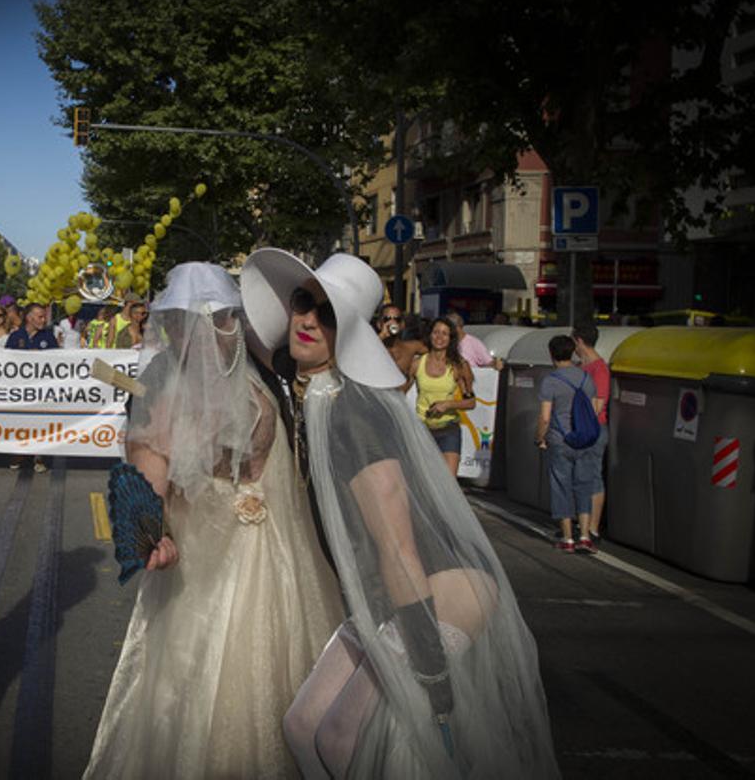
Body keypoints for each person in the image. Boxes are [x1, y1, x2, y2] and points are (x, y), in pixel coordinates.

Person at [241, 249, 559, 779]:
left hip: (436, 590)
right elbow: (253, 348)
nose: (307, 320)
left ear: (349, 330)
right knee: (302, 727)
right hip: (385, 595)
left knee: (341, 734)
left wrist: (431, 672)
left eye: (327, 313)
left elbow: (396, 544)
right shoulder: (312, 393)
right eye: (302, 301)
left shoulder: (352, 413)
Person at [84, 263, 343, 779]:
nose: (208, 333)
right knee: (200, 681)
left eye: (223, 320)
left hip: (279, 548)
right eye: (190, 322)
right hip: (205, 558)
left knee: (283, 675)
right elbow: (147, 467)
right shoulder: (160, 381)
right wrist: (151, 533)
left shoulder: (263, 368)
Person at [535, 334, 599, 554]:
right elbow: (593, 409)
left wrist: (539, 438)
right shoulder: (585, 378)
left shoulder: (550, 381)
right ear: (572, 352)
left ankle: (568, 538)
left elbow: (545, 417)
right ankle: (585, 536)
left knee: (561, 486)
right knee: (584, 486)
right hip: (585, 439)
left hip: (560, 440)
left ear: (551, 354)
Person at [407, 318, 476, 476]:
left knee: (449, 485)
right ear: (430, 335)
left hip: (449, 430)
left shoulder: (459, 365)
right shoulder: (417, 364)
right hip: (423, 431)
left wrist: (448, 405)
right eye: (436, 332)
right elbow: (400, 393)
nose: (439, 337)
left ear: (451, 338)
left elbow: (471, 402)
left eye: (445, 334)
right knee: (424, 482)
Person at [6, 302, 58, 473]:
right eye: (40, 316)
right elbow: (4, 361)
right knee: (19, 422)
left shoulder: (49, 337)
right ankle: (18, 454)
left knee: (40, 422)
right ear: (29, 318)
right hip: (20, 390)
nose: (44, 320)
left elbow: (59, 361)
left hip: (41, 390)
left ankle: (39, 456)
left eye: (44, 316)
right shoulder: (15, 337)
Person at [572, 323, 610, 541]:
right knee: (581, 476)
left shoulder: (599, 368)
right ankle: (582, 525)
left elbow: (599, 403)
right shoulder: (581, 367)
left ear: (579, 341)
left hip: (592, 430)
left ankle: (593, 528)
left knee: (593, 477)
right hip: (580, 429)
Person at [385, 313, 427, 379]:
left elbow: (438, 350)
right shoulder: (372, 346)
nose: (392, 323)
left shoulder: (412, 347)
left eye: (397, 319)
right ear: (379, 323)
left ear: (402, 325)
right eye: (386, 319)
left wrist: (417, 363)